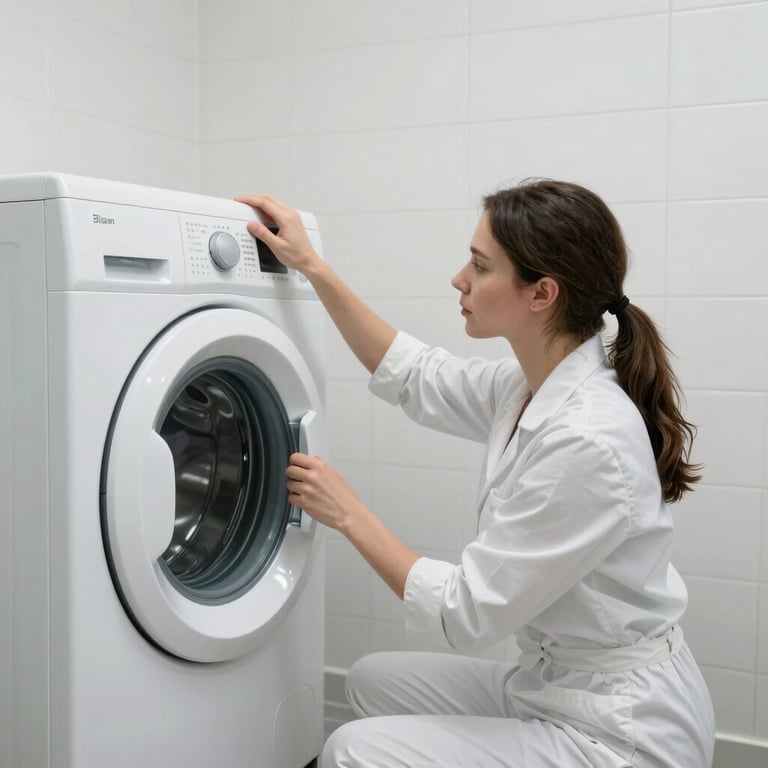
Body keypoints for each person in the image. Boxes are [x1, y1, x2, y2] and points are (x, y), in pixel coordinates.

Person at [235, 180, 715, 768]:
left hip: (618, 729)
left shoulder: (586, 440)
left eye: (480, 266)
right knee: (369, 681)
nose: (460, 278)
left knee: (350, 750)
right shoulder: (530, 387)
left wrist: (348, 514)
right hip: (555, 683)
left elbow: (465, 614)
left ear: (541, 293)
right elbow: (415, 374)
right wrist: (313, 267)